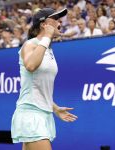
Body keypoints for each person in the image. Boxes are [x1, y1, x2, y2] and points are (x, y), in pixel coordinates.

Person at [11, 7, 78, 150]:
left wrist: (54, 108)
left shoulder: (48, 49)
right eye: (55, 19)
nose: (60, 22)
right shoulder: (30, 44)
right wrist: (46, 37)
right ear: (44, 24)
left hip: (44, 113)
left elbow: (37, 87)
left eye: (60, 19)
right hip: (31, 114)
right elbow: (30, 65)